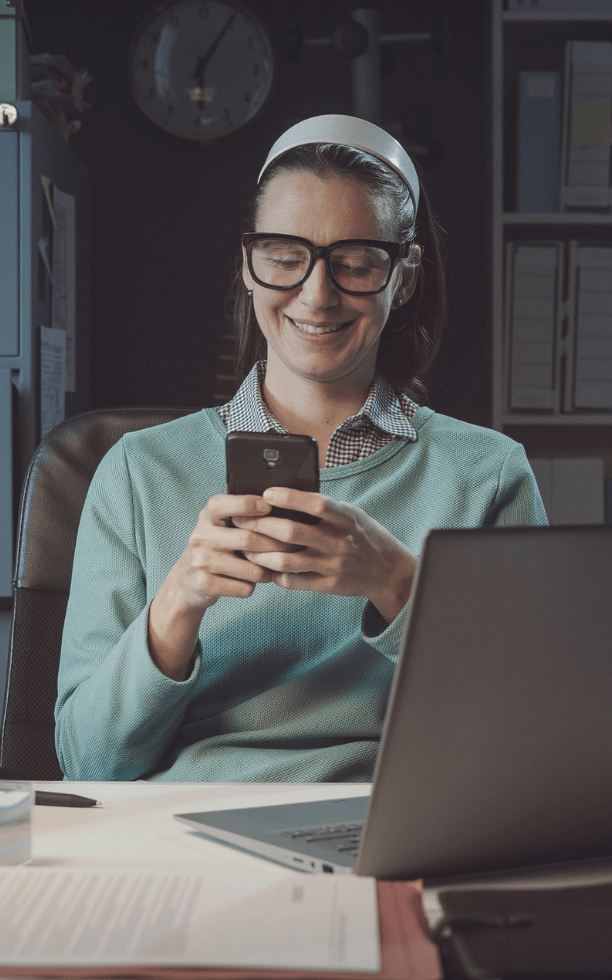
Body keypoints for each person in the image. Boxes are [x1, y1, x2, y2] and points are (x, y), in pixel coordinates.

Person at [55, 114, 547, 783]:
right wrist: (179, 601)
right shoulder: (140, 473)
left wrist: (400, 584)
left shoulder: (488, 475)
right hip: (188, 836)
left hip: (383, 829)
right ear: (249, 266)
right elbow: (89, 765)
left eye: (355, 264)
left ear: (402, 278)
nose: (317, 294)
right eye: (286, 258)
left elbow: (528, 741)